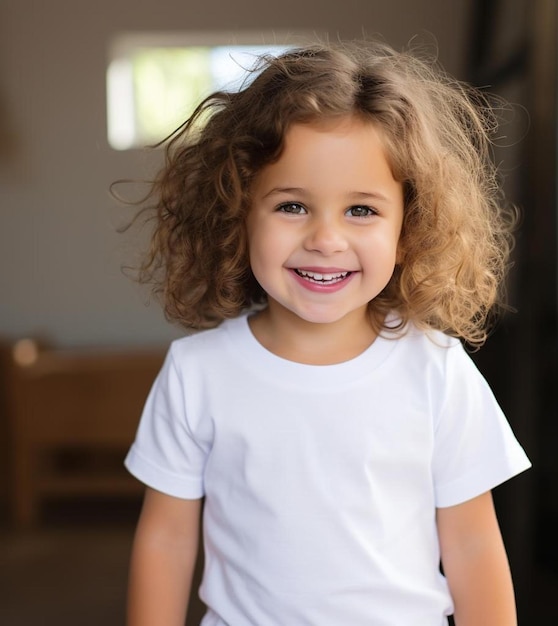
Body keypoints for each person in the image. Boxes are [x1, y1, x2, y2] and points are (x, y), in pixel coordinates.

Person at [123, 39, 531, 626]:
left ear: (407, 227)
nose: (325, 239)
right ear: (240, 212)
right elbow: (165, 543)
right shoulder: (197, 373)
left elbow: (471, 546)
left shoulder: (436, 369)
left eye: (361, 210)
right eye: (292, 206)